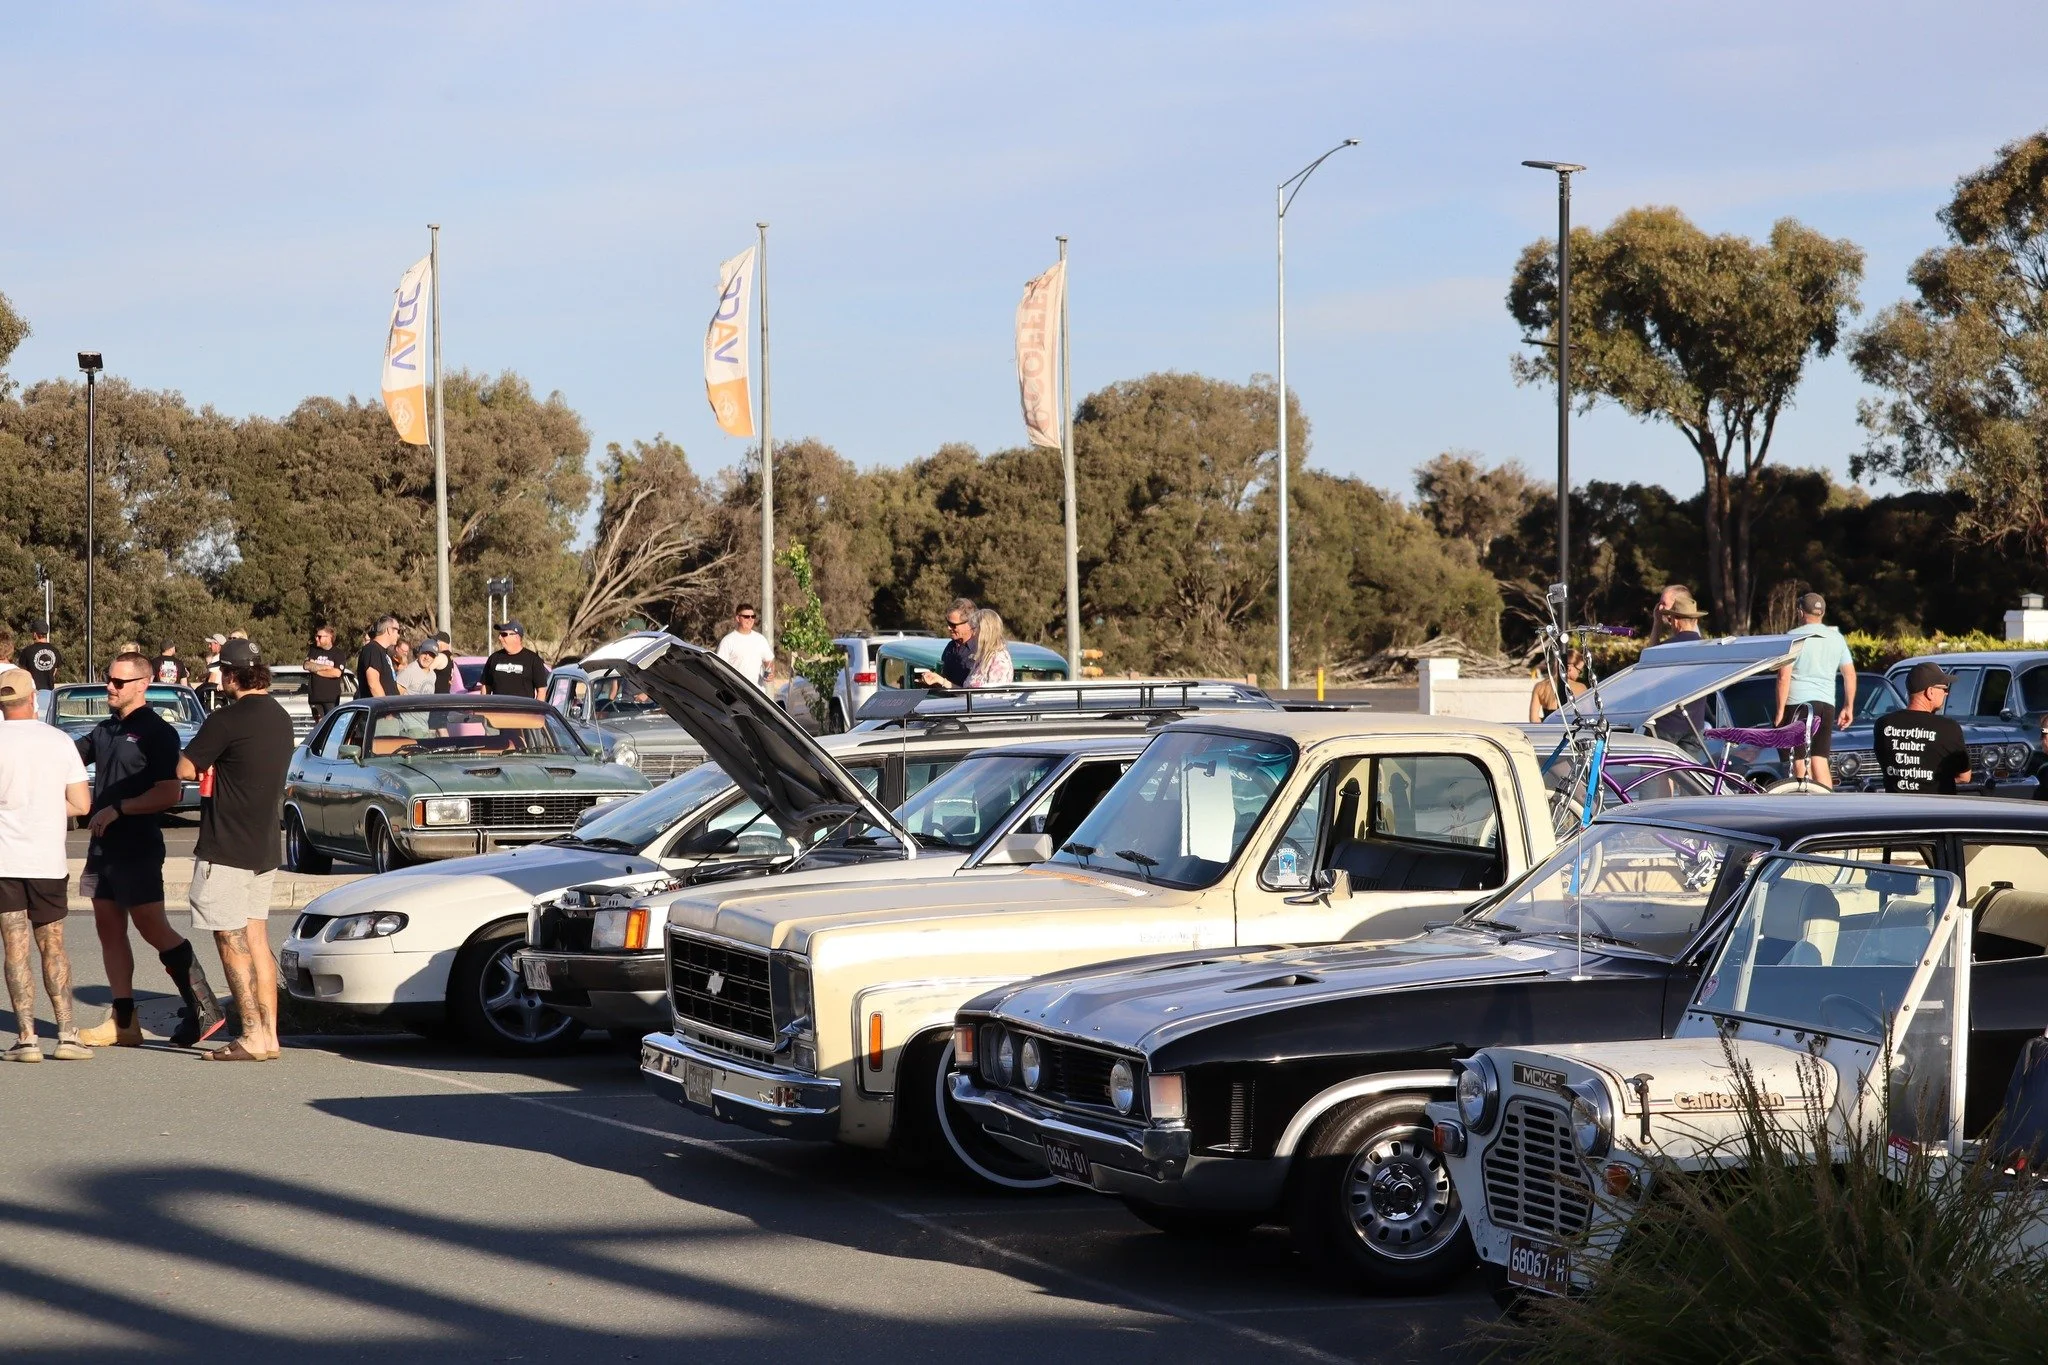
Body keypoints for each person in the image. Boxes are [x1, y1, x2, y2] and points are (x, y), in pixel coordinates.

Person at [74, 653, 226, 1049]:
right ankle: (124, 1021)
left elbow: (169, 791)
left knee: (151, 927)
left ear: (143, 684)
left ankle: (204, 1006)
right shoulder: (105, 730)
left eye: (119, 682)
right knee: (108, 929)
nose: (110, 687)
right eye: (109, 679)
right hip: (101, 847)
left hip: (138, 846)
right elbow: (68, 757)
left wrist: (119, 808)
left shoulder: (158, 732)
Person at [176, 639, 293, 1061]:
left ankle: (250, 1035)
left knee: (230, 939)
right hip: (264, 845)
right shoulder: (280, 718)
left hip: (226, 845)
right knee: (256, 938)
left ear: (230, 675)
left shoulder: (226, 719)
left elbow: (185, 767)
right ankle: (269, 1036)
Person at [0, 670, 94, 1061]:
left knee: (15, 947)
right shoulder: (59, 741)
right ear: (34, 701)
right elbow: (82, 805)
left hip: (4, 859)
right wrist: (47, 811)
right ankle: (67, 1033)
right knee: (52, 943)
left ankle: (26, 1038)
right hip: (46, 859)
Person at [1772, 593, 1855, 789]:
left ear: (1800, 612)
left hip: (1798, 702)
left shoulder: (1793, 637)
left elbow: (1783, 677)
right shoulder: (1837, 638)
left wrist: (1780, 712)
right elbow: (1849, 674)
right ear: (1823, 613)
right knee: (1819, 759)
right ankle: (1828, 807)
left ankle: (1802, 804)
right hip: (1826, 704)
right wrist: (1848, 706)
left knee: (1798, 759)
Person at [1875, 662, 1972, 795]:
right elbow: (1964, 777)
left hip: (1897, 809)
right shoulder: (1949, 728)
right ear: (1930, 692)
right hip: (1938, 810)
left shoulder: (1883, 724)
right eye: (1944, 688)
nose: (1946, 693)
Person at [916, 598, 977, 688]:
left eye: (953, 625)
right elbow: (945, 678)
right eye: (948, 623)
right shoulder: (950, 647)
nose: (948, 628)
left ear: (969, 624)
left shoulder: (981, 649)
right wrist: (933, 679)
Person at [715, 604, 776, 688]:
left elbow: (769, 661)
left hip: (757, 692)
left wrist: (770, 672)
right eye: (746, 617)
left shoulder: (760, 639)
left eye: (753, 616)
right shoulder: (728, 641)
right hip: (736, 691)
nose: (750, 619)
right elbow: (719, 667)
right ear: (738, 618)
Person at [483, 621, 549, 697]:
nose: (500, 638)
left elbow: (541, 691)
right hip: (499, 708)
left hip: (523, 708)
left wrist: (537, 709)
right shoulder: (494, 658)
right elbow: (486, 686)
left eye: (504, 634)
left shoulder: (533, 660)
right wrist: (484, 707)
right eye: (500, 634)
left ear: (516, 637)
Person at [1528, 649, 1588, 721]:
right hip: (1571, 730)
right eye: (1579, 671)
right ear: (1569, 668)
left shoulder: (1540, 686)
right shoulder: (1581, 687)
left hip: (1549, 730)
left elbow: (1534, 720)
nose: (1579, 675)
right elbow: (1588, 716)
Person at [963, 609, 1014, 688]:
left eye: (973, 629)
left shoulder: (1000, 660)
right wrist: (943, 681)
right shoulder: (983, 658)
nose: (972, 634)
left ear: (984, 630)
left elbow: (995, 697)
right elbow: (966, 692)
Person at [305, 625, 347, 722]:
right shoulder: (313, 650)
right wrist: (325, 667)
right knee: (319, 724)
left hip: (331, 698)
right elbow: (307, 665)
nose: (316, 639)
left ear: (329, 638)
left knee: (330, 724)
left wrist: (316, 669)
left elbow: (336, 673)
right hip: (315, 697)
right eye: (316, 636)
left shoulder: (338, 653)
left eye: (319, 637)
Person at [356, 616, 401, 698]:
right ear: (389, 630)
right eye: (397, 630)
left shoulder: (384, 652)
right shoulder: (372, 649)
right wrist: (386, 708)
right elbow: (373, 684)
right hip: (380, 709)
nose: (398, 635)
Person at [23, 623, 58, 715]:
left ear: (35, 634)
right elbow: (54, 672)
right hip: (50, 694)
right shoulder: (55, 651)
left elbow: (23, 673)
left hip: (32, 695)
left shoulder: (27, 651)